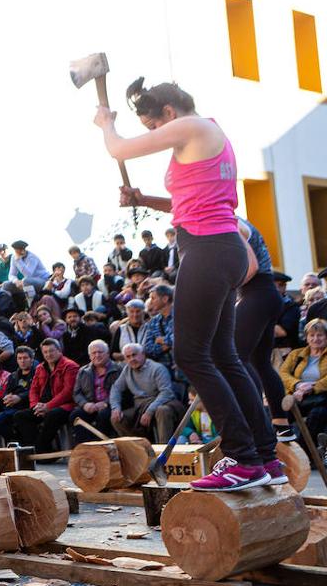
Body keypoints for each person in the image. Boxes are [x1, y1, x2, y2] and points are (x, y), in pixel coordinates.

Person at [98, 77, 277, 490]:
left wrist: (106, 122)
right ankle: (266, 458)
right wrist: (144, 199)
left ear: (169, 113)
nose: (152, 134)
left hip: (210, 250)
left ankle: (244, 459)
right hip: (219, 247)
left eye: (152, 125)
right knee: (223, 356)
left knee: (191, 356)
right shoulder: (206, 134)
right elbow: (187, 204)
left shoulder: (193, 126)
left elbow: (118, 149)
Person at [234, 219, 295, 441]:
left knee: (235, 358)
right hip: (264, 295)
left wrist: (227, 285)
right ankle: (281, 425)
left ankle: (257, 422)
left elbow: (251, 267)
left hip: (257, 294)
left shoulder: (231, 223)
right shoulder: (234, 221)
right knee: (259, 362)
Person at [12, 338, 79, 453]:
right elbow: (33, 389)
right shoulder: (40, 368)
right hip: (42, 406)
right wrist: (35, 406)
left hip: (65, 405)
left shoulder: (70, 366)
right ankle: (41, 450)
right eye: (45, 352)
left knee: (52, 415)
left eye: (51, 351)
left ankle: (40, 451)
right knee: (20, 416)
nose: (48, 354)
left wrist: (48, 406)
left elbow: (68, 392)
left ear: (59, 351)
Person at [109, 343, 184, 443]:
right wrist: (115, 407)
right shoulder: (127, 370)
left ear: (143, 354)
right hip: (140, 407)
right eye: (128, 357)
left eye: (134, 355)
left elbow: (166, 392)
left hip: (161, 402)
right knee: (117, 419)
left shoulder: (157, 368)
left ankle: (164, 450)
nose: (132, 359)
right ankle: (138, 447)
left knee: (163, 411)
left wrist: (150, 411)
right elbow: (116, 388)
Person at [281, 318, 327, 444]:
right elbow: (283, 373)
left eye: (320, 335)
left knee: (318, 414)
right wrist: (298, 384)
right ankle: (278, 450)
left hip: (321, 398)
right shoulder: (296, 354)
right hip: (297, 396)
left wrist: (312, 387)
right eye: (312, 335)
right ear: (306, 337)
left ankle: (305, 451)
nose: (315, 339)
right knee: (278, 414)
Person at [71, 339, 120, 443]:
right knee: (76, 415)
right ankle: (86, 447)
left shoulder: (118, 369)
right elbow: (76, 393)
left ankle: (102, 447)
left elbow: (122, 392)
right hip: (90, 405)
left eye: (100, 352)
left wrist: (106, 403)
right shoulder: (83, 371)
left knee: (103, 415)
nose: (97, 355)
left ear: (107, 354)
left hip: (109, 406)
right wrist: (85, 404)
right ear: (89, 356)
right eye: (94, 353)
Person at [142, 283, 176, 372]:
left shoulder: (181, 317)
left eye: (153, 298)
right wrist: (166, 346)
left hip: (184, 368)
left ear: (165, 299)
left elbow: (182, 340)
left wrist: (162, 340)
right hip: (162, 369)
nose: (151, 301)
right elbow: (148, 348)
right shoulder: (153, 321)